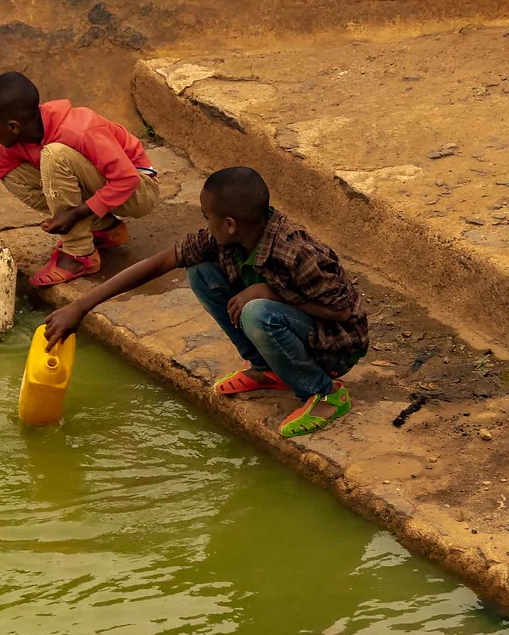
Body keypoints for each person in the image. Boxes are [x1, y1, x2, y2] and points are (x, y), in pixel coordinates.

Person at [42, 166, 366, 438]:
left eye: (206, 216)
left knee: (257, 312)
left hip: (333, 347)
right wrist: (81, 306)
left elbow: (342, 310)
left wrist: (269, 292)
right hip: (291, 327)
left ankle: (323, 392)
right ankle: (267, 368)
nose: (204, 224)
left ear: (229, 223)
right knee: (199, 272)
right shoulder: (222, 238)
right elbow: (159, 263)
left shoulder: (295, 252)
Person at [0, 71, 160, 287]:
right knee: (11, 174)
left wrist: (75, 214)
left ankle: (78, 255)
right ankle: (105, 228)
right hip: (103, 187)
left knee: (54, 155)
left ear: (13, 127)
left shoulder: (80, 129)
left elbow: (126, 179)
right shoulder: (18, 141)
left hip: (139, 190)